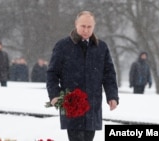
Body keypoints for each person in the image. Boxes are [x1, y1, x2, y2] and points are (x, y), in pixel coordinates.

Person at [46, 11, 119, 141]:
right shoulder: (63, 46)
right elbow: (52, 73)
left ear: (94, 26)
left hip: (93, 104)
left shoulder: (101, 47)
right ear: (76, 25)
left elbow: (109, 74)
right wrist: (55, 95)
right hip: (71, 103)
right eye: (83, 26)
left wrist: (112, 96)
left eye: (89, 27)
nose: (86, 30)